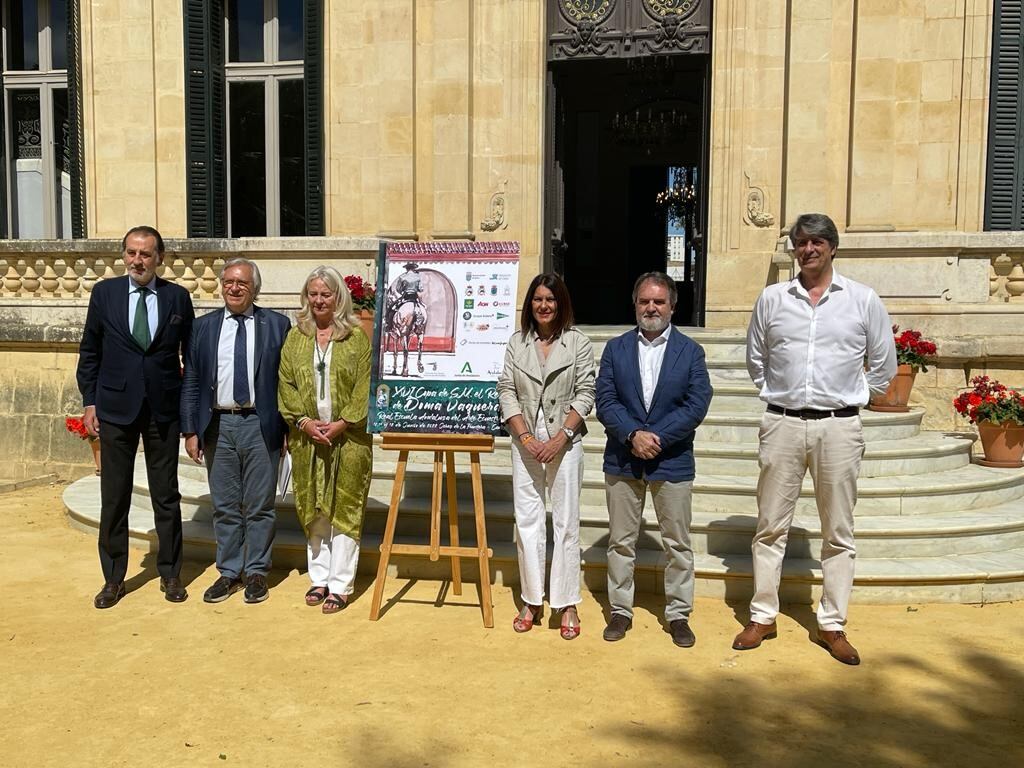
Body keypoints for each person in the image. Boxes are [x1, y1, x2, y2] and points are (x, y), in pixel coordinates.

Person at [736, 212, 896, 666]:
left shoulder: (862, 300)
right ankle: (763, 615)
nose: (807, 249)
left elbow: (884, 366)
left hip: (839, 426)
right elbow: (755, 359)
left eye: (816, 242)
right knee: (769, 525)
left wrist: (855, 397)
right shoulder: (772, 299)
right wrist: (778, 394)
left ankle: (832, 624)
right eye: (800, 242)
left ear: (832, 247)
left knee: (838, 530)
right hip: (782, 423)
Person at [76, 226, 195, 608]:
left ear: (160, 257)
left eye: (145, 254)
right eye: (131, 253)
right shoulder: (105, 294)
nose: (137, 261)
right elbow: (90, 351)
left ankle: (171, 572)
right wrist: (90, 402)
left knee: (166, 496)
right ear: (123, 255)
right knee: (114, 496)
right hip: (115, 410)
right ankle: (113, 578)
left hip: (163, 409)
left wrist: (189, 411)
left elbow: (190, 359)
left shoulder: (177, 297)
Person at [596, 272, 713, 647]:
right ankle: (620, 610)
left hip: (672, 459)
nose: (651, 307)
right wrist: (632, 435)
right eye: (644, 301)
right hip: (623, 459)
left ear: (672, 306)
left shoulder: (691, 351)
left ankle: (678, 614)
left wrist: (657, 438)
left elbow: (697, 404)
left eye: (658, 302)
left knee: (677, 543)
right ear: (635, 305)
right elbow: (606, 400)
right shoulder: (615, 349)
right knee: (621, 541)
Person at [180, 258, 291, 604]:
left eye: (242, 282)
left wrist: (287, 427)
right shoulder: (203, 327)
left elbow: (286, 381)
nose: (234, 287)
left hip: (261, 423)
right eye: (228, 281)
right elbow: (193, 381)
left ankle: (257, 571)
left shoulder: (277, 324)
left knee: (260, 505)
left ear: (255, 287)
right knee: (226, 505)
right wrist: (189, 430)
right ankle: (229, 572)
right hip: (218, 425)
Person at [496, 273, 595, 640]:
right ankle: (532, 598)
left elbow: (586, 391)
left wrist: (561, 437)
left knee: (566, 521)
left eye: (550, 299)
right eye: (537, 299)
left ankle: (567, 601)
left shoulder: (577, 343)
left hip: (564, 441)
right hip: (525, 440)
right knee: (528, 520)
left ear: (561, 303)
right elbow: (506, 390)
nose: (543, 305)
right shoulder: (516, 343)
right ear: (530, 303)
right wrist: (523, 435)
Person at [277, 266, 373, 614]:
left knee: (345, 509)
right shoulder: (295, 337)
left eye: (326, 294)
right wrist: (302, 422)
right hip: (307, 439)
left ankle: (341, 583)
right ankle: (319, 577)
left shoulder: (356, 338)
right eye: (313, 293)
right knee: (314, 506)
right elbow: (285, 383)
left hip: (349, 441)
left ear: (339, 297)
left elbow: (365, 384)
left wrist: (343, 422)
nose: (319, 300)